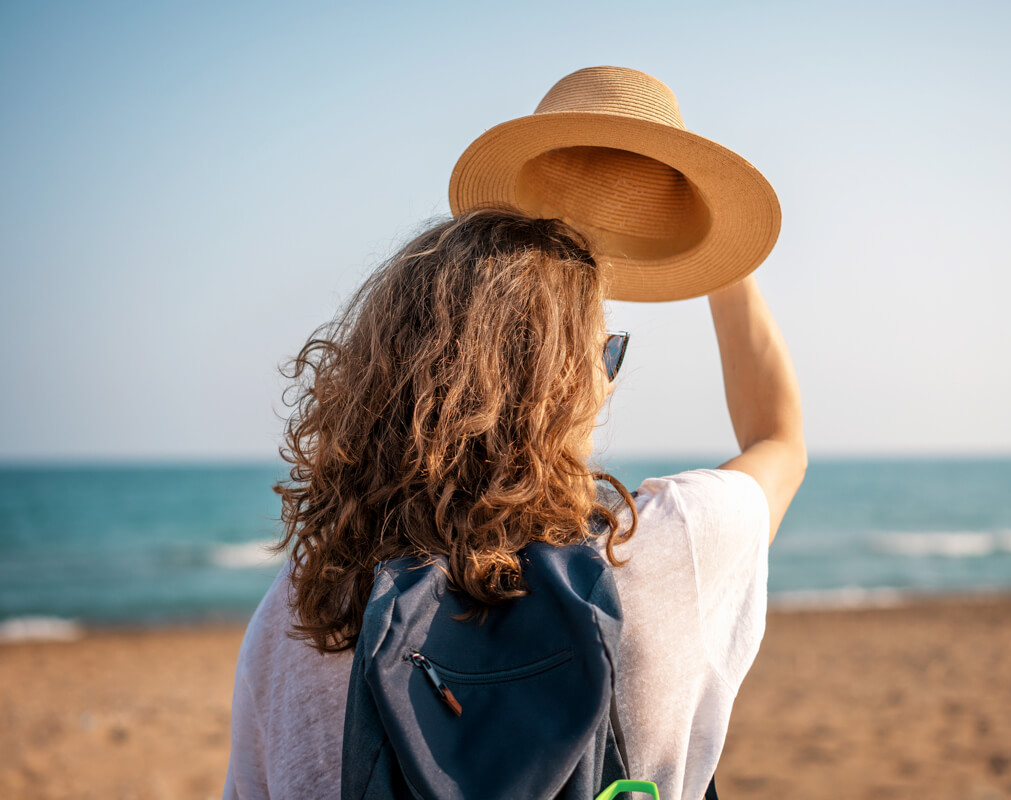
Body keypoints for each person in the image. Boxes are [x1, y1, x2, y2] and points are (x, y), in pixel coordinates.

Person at [223, 68, 806, 800]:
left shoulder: (304, 610)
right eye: (606, 353)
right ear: (565, 387)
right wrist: (712, 246)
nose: (611, 378)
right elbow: (779, 437)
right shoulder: (664, 551)